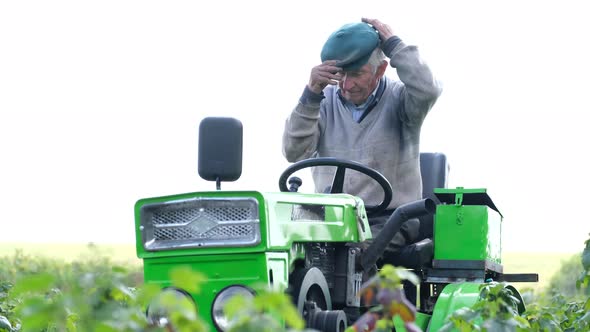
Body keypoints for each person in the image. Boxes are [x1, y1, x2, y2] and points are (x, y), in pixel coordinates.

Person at [282, 17, 442, 268]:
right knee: (285, 248)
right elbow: (293, 151)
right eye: (341, 74)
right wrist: (311, 93)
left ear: (380, 70)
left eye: (356, 74)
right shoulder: (321, 103)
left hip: (389, 218)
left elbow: (428, 89)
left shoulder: (401, 100)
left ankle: (361, 308)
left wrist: (395, 45)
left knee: (350, 256)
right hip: (331, 218)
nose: (346, 84)